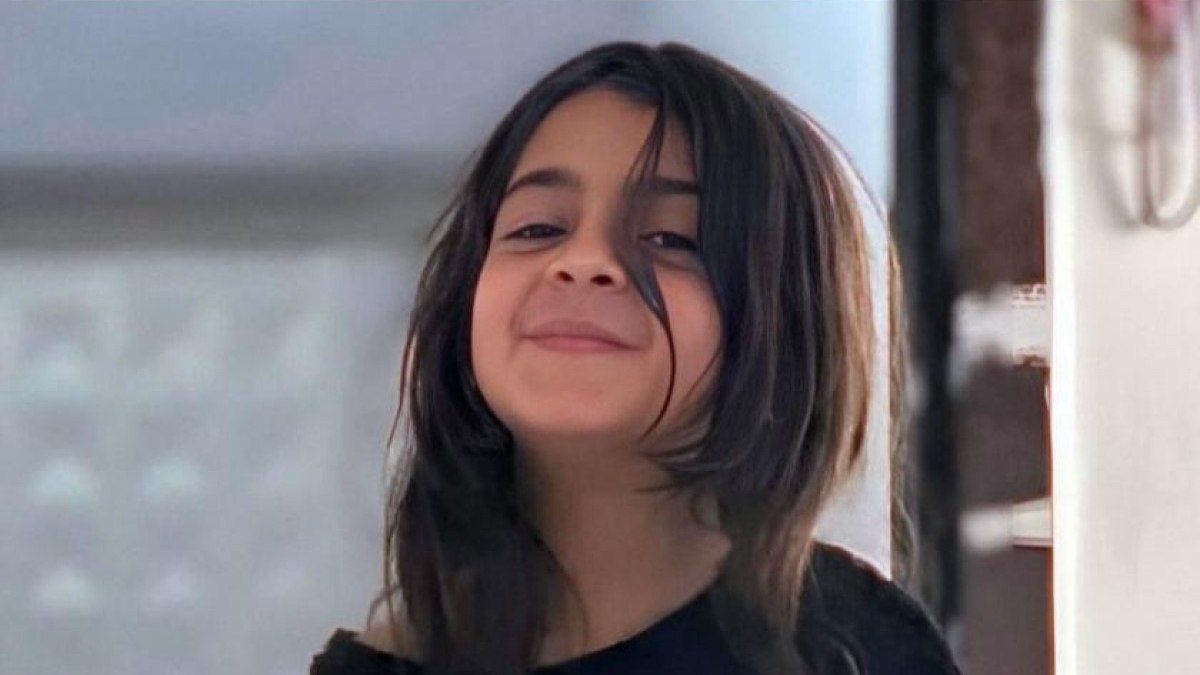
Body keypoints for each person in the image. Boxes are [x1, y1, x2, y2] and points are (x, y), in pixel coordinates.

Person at [309, 40, 961, 675]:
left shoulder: (857, 648)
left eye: (670, 238)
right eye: (538, 228)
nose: (583, 261)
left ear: (785, 324)